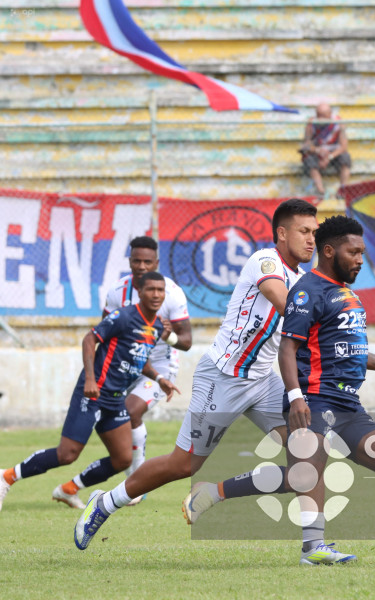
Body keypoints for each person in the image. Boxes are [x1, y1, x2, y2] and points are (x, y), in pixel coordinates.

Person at [74, 199, 356, 565]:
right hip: (223, 377)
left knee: (309, 454)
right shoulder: (265, 261)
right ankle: (106, 502)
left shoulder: (305, 279)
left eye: (315, 233)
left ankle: (313, 547)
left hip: (262, 379)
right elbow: (285, 303)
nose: (310, 239)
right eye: (304, 231)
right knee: (183, 465)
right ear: (282, 233)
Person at [171, 216, 375, 568]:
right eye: (354, 252)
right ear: (330, 251)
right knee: (305, 476)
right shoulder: (307, 292)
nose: (361, 259)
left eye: (363, 252)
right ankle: (302, 542)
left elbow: (349, 352)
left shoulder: (348, 295)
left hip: (348, 407)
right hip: (316, 403)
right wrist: (295, 397)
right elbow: (288, 349)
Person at [0, 272, 177, 513]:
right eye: (151, 289)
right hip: (94, 393)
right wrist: (91, 379)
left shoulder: (156, 326)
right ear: (140, 292)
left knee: (123, 459)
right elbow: (89, 339)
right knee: (67, 454)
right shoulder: (124, 316)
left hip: (116, 399)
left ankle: (69, 490)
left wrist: (159, 378)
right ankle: (6, 477)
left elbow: (139, 359)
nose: (156, 294)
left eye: (160, 290)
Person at [54, 236, 192, 509]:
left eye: (147, 261)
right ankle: (77, 486)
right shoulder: (117, 291)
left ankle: (136, 483)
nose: (141, 266)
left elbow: (186, 341)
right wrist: (95, 375)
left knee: (132, 412)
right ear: (129, 261)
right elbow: (101, 334)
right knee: (111, 439)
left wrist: (168, 336)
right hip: (122, 367)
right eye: (136, 261)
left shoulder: (171, 292)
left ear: (157, 262)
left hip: (159, 368)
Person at [299, 102, 351, 198]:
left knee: (345, 157)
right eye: (319, 114)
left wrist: (329, 157)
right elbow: (306, 145)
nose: (321, 117)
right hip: (317, 152)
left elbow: (343, 146)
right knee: (308, 159)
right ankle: (321, 191)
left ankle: (343, 190)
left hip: (333, 153)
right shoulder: (311, 123)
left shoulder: (338, 123)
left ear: (329, 114)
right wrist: (318, 151)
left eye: (323, 115)